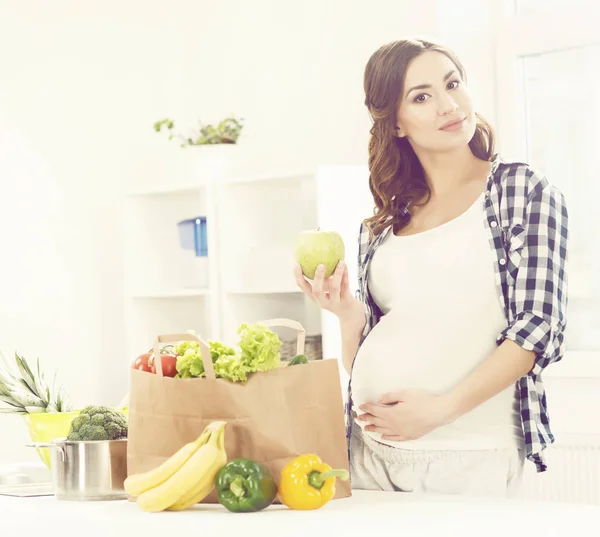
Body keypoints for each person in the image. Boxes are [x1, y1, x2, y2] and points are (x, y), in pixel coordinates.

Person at [294, 37, 568, 498]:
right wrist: (347, 314)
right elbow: (370, 350)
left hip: (467, 452)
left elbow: (540, 328)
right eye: (421, 97)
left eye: (452, 84)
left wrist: (441, 409)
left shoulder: (519, 191)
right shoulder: (383, 222)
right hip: (365, 452)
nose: (448, 105)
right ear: (396, 123)